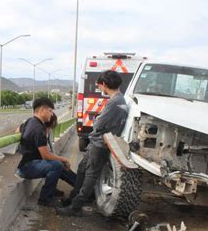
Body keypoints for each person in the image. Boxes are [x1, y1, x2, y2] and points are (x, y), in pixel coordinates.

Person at [56, 70, 128, 216]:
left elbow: (99, 124)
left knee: (90, 175)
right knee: (82, 168)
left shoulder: (115, 102)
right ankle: (74, 197)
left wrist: (97, 121)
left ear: (105, 84)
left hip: (101, 143)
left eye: (100, 86)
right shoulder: (120, 100)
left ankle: (76, 207)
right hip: (98, 141)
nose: (100, 89)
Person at [15, 97, 75, 207]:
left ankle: (80, 187)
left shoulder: (30, 121)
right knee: (56, 165)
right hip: (25, 168)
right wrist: (65, 159)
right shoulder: (38, 129)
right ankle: (45, 199)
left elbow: (18, 129)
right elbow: (46, 155)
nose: (51, 114)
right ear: (43, 109)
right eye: (50, 111)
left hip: (24, 164)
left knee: (58, 164)